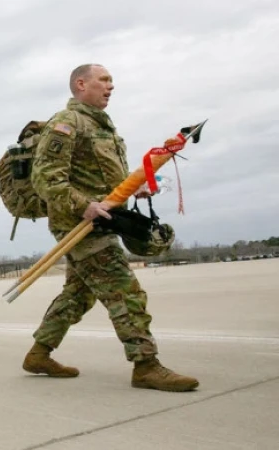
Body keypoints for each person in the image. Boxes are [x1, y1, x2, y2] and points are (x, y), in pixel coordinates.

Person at [23, 63, 198, 392]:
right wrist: (84, 205)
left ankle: (39, 354)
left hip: (105, 222)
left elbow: (106, 180)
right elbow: (45, 179)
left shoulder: (104, 128)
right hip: (81, 225)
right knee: (124, 290)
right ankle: (146, 365)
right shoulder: (66, 123)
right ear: (81, 84)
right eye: (103, 80)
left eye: (111, 81)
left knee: (78, 295)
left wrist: (135, 188)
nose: (110, 86)